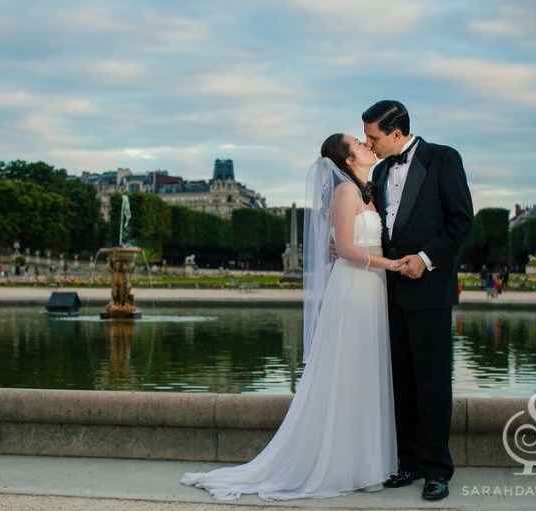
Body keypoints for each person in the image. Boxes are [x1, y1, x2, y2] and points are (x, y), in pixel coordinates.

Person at [181, 134, 402, 501]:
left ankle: (360, 463)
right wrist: (392, 264)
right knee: (349, 375)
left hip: (369, 287)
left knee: (363, 374)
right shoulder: (346, 193)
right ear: (348, 161)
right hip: (356, 287)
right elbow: (346, 249)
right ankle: (348, 464)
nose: (366, 145)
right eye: (358, 144)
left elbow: (347, 245)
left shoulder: (366, 191)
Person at [363, 100, 474, 501]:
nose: (368, 143)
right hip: (388, 292)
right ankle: (407, 462)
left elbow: (462, 221)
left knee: (432, 383)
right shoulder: (378, 170)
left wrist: (425, 260)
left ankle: (437, 470)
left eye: (373, 136)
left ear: (396, 133)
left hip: (429, 292)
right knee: (401, 382)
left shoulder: (444, 159)